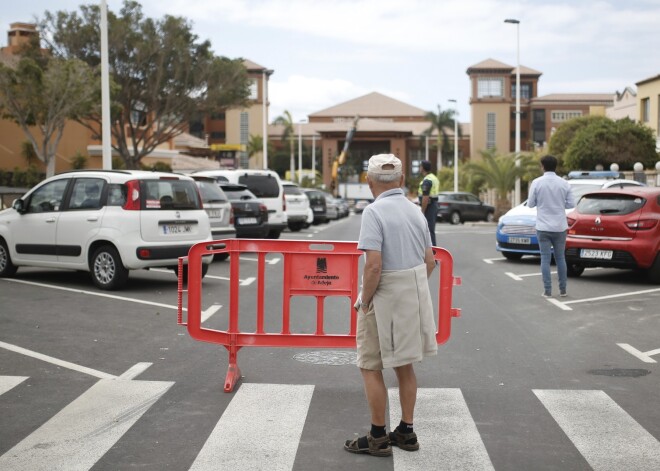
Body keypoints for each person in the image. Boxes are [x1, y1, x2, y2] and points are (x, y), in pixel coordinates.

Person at [344, 153, 438, 457]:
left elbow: (373, 266)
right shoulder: (416, 212)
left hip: (382, 296)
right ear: (401, 180)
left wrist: (364, 301)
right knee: (404, 364)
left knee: (370, 365)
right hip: (412, 295)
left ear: (370, 182)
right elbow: (431, 262)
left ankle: (378, 437)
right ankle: (406, 431)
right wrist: (410, 286)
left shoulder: (373, 212)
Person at [527, 154, 575, 298]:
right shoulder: (564, 183)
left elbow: (530, 204)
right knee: (560, 258)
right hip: (560, 227)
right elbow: (571, 204)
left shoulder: (536, 183)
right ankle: (563, 290)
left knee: (545, 259)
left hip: (543, 227)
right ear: (556, 166)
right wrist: (560, 204)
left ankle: (547, 291)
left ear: (543, 166)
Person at [418, 160, 440, 246]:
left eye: (420, 166)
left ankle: (433, 254)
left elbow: (425, 197)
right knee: (430, 230)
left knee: (429, 231)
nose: (419, 168)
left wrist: (422, 211)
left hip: (429, 207)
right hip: (433, 206)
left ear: (423, 168)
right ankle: (432, 253)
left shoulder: (427, 180)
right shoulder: (433, 177)